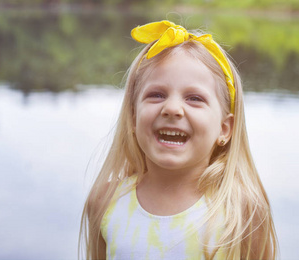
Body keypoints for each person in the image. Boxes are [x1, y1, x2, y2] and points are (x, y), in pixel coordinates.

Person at [79, 20, 278, 259]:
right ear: (132, 117)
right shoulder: (105, 202)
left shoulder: (241, 212)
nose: (172, 108)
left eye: (194, 98)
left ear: (225, 129)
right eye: (156, 95)